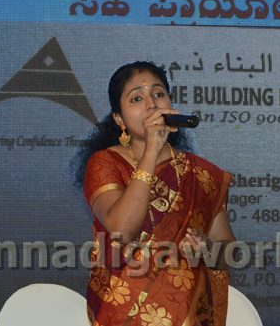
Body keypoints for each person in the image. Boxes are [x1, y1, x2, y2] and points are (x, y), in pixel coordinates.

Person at [73, 61, 234, 326]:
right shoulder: (105, 163)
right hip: (123, 314)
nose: (151, 105)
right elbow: (122, 230)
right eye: (137, 98)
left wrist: (207, 250)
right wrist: (151, 150)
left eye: (159, 94)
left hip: (188, 315)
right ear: (119, 119)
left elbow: (228, 253)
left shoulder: (203, 174)